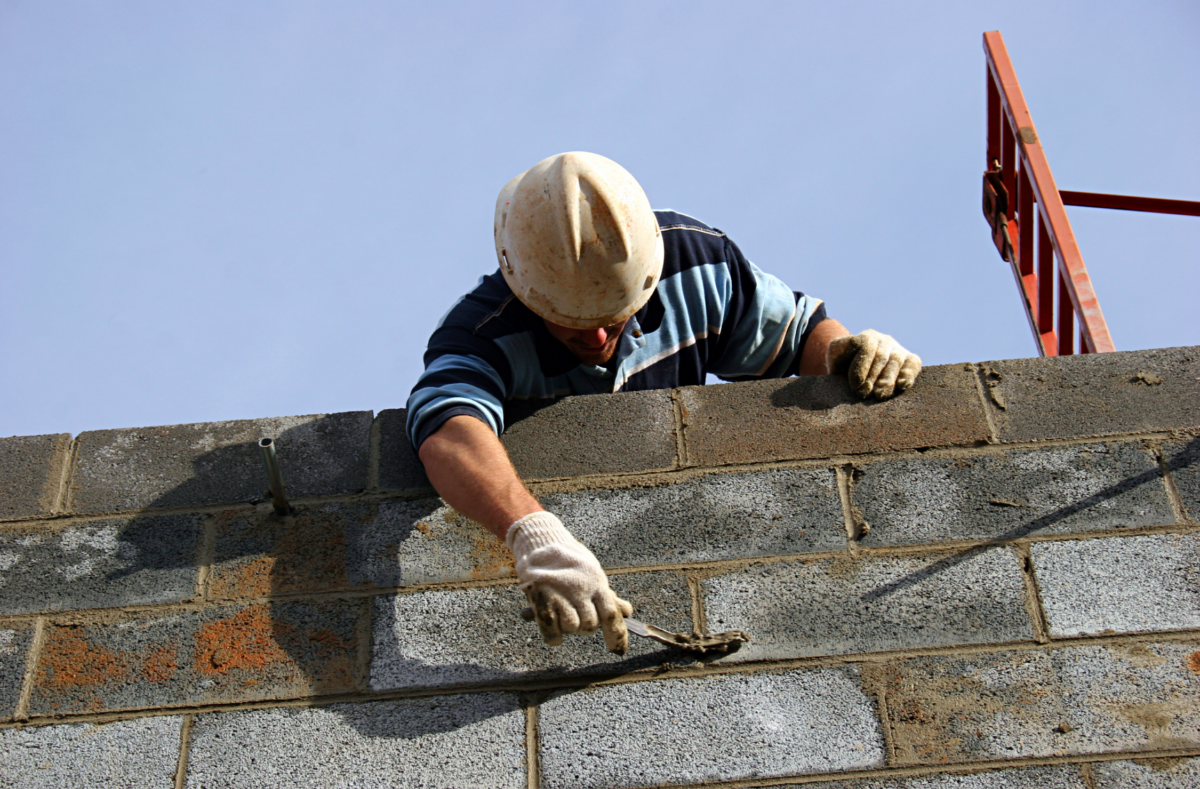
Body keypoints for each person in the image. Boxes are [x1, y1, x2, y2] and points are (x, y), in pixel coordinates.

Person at [406, 152, 921, 656]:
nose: (600, 333)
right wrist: (535, 538)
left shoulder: (697, 262)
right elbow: (448, 429)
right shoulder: (482, 333)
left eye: (615, 310)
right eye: (572, 319)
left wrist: (846, 353)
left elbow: (800, 335)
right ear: (524, 290)